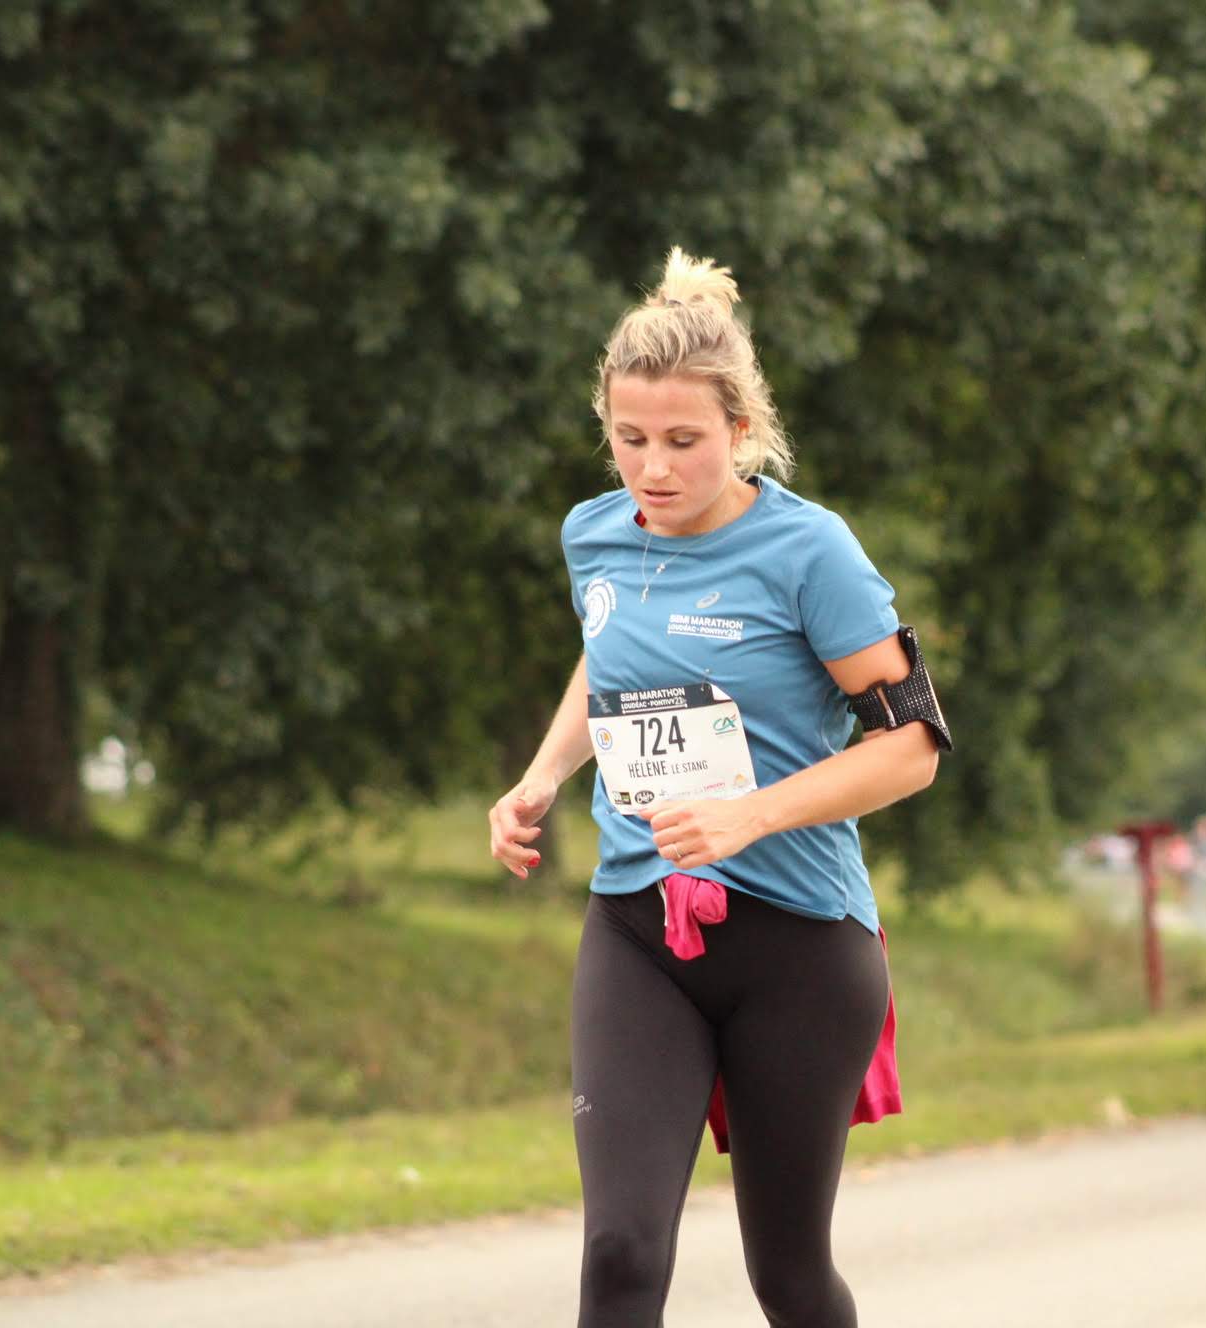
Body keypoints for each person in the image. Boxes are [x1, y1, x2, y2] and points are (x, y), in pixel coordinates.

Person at [486, 248, 950, 1327]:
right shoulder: (593, 535)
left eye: (683, 441)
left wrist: (750, 815)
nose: (652, 469)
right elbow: (611, 657)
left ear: (740, 429)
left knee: (787, 1274)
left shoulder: (811, 551)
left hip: (798, 945)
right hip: (640, 929)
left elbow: (913, 749)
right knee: (620, 1249)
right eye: (630, 438)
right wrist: (543, 774)